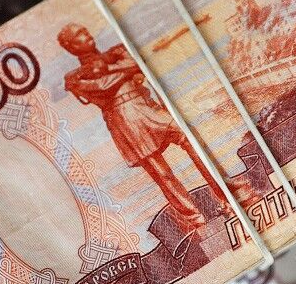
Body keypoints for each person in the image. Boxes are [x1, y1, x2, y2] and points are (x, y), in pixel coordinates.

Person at [58, 23, 232, 231]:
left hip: (145, 106)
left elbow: (136, 63)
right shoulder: (74, 77)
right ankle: (195, 219)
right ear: (71, 47)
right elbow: (103, 87)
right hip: (124, 119)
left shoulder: (117, 51)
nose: (86, 34)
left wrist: (109, 69)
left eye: (85, 30)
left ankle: (225, 192)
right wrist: (127, 69)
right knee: (162, 173)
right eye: (79, 35)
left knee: (189, 138)